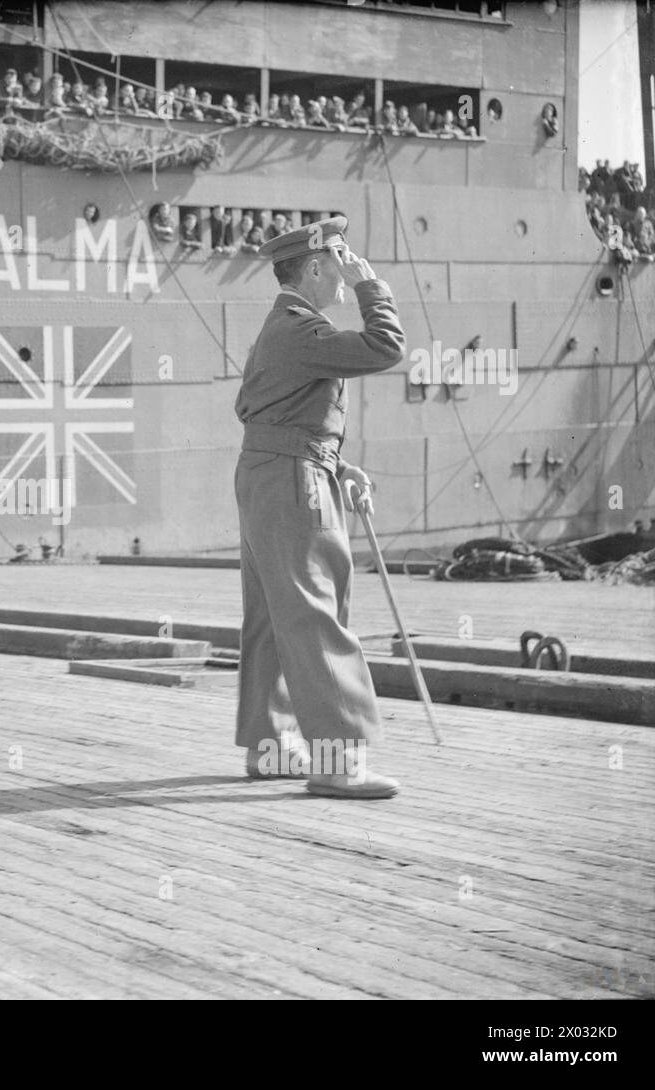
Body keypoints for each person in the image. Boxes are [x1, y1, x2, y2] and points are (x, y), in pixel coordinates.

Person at [234, 215, 405, 799]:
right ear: (314, 266)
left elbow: (276, 412)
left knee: (274, 614)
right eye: (340, 259)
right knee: (314, 609)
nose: (346, 268)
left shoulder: (283, 327)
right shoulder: (300, 328)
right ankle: (335, 761)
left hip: (274, 473)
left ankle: (272, 746)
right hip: (290, 481)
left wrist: (334, 463)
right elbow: (385, 346)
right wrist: (370, 289)